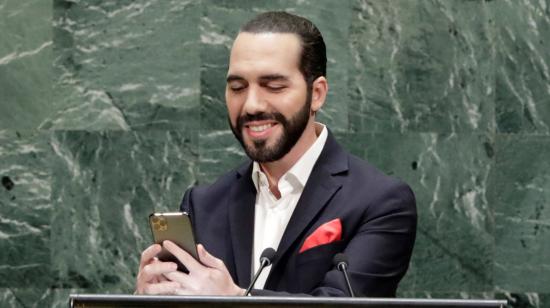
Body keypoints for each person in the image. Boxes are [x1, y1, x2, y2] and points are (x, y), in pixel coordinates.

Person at [135, 11, 417, 297]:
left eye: (274, 86)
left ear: (316, 94)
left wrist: (234, 299)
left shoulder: (381, 201)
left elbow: (342, 305)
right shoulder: (202, 204)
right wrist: (146, 302)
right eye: (237, 87)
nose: (252, 104)